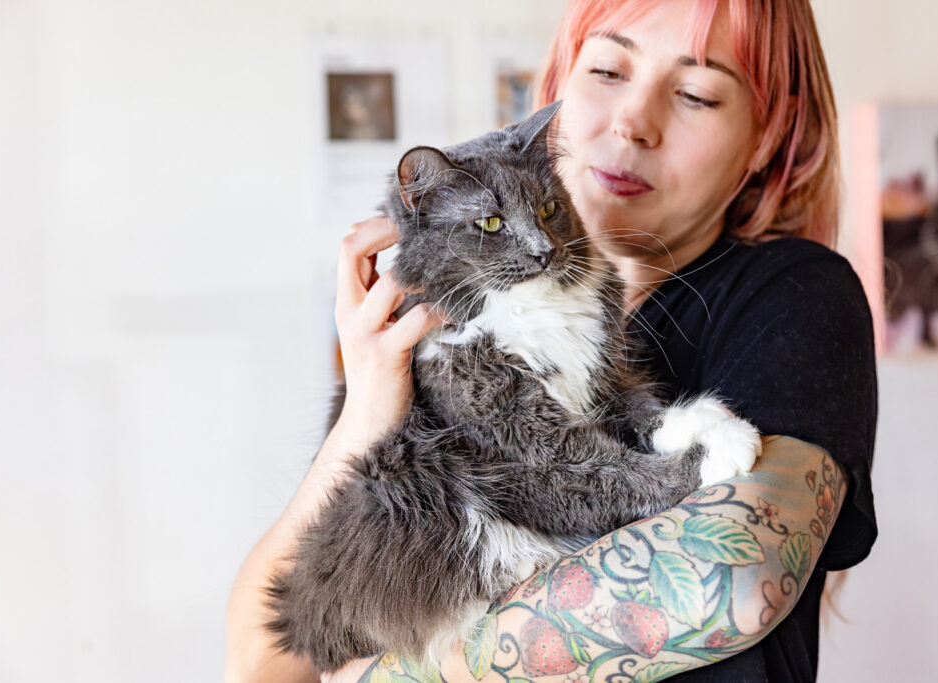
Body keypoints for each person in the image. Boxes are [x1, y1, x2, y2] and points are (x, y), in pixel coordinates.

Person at [225, 0, 877, 680]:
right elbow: (266, 661)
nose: (634, 123)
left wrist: (402, 672)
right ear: (562, 76)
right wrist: (362, 418)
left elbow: (732, 580)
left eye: (695, 93)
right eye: (607, 69)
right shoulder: (441, 335)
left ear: (770, 132)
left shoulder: (795, 294)